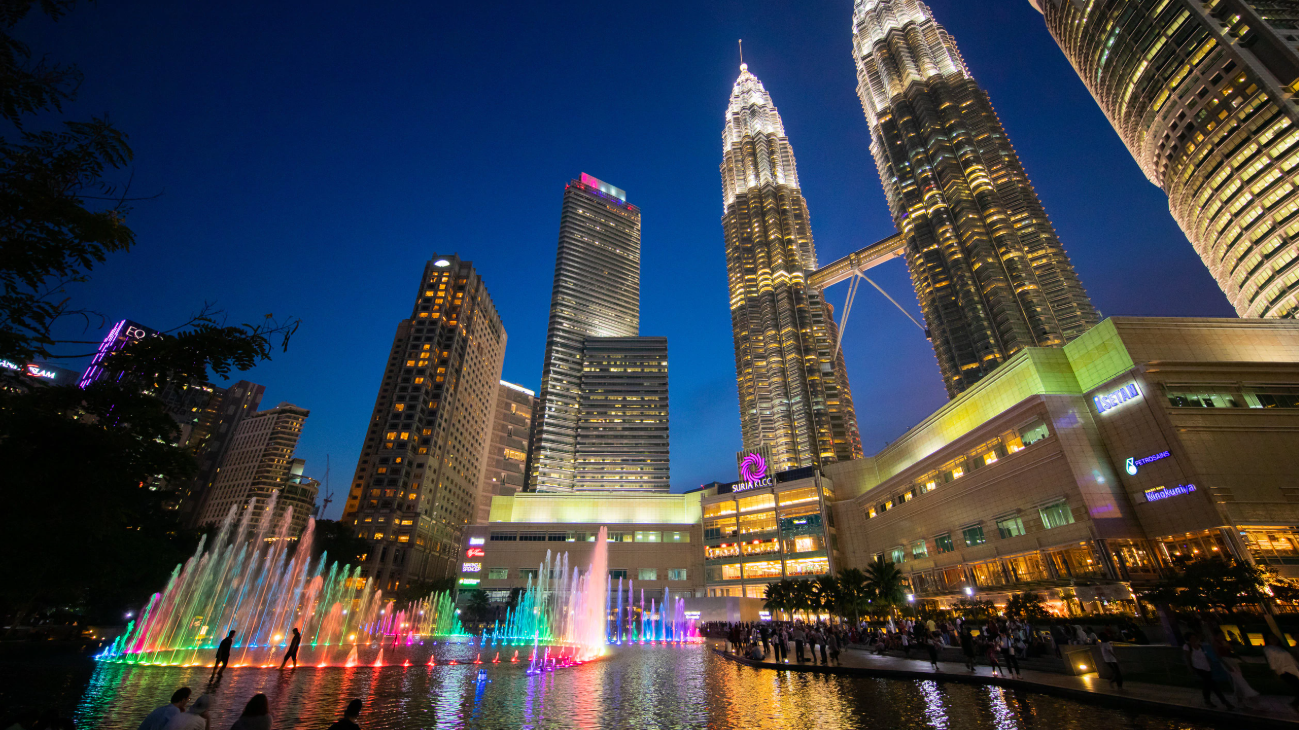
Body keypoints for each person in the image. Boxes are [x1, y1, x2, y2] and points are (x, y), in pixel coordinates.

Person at [1184, 633, 1233, 709]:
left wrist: (1210, 662)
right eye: (1192, 638)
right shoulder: (1187, 646)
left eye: (1194, 637)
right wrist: (1190, 668)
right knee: (1213, 684)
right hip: (1198, 668)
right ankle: (1225, 702)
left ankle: (1208, 701)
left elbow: (1205, 655)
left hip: (1206, 667)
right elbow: (1187, 658)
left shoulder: (1200, 646)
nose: (1194, 639)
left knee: (1207, 684)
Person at [1264, 634, 1299, 710]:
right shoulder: (1269, 649)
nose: (1273, 639)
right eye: (1271, 637)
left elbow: (1292, 659)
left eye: (1274, 637)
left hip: (1293, 670)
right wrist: (1274, 672)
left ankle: (1294, 704)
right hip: (1284, 671)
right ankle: (1294, 704)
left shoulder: (1281, 648)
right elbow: (1271, 661)